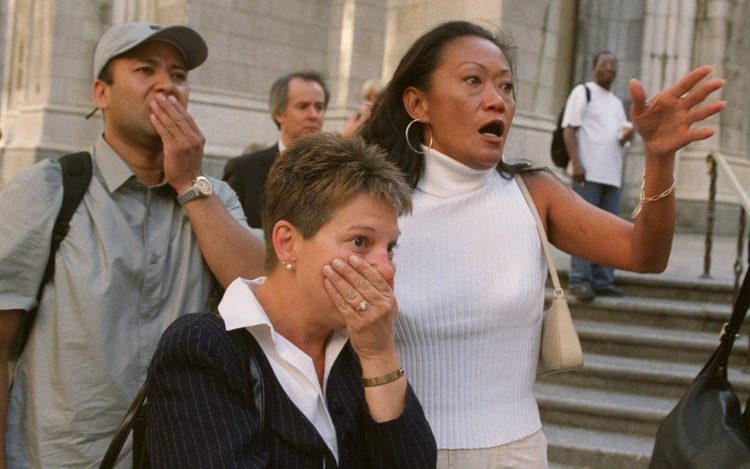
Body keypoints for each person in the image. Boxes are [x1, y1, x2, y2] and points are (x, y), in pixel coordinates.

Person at [359, 20, 725, 468]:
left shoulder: (534, 194)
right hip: (396, 453)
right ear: (418, 102)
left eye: (507, 86)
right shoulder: (372, 207)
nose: (498, 100)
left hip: (514, 455)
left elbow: (645, 254)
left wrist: (660, 157)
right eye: (473, 80)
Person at [0, 22, 265, 468]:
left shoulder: (213, 199)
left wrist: (188, 184)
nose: (167, 86)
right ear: (101, 93)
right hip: (60, 456)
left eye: (178, 75)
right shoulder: (46, 191)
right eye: (146, 70)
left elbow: (261, 292)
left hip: (180, 453)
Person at [146, 133, 437, 468]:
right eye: (359, 242)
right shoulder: (203, 348)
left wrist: (380, 355)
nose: (384, 269)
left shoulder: (359, 348)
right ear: (287, 243)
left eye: (390, 248)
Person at [562, 51, 635, 301]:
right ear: (594, 68)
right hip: (588, 173)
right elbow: (569, 129)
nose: (610, 69)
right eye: (605, 64)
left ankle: (603, 279)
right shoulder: (583, 92)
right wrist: (577, 163)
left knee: (609, 231)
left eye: (614, 65)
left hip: (611, 177)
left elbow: (621, 138)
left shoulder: (616, 103)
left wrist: (627, 137)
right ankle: (579, 279)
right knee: (583, 228)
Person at [223, 71, 330, 228]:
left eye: (319, 107)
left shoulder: (335, 171)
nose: (313, 115)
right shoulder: (243, 171)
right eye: (303, 106)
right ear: (279, 114)